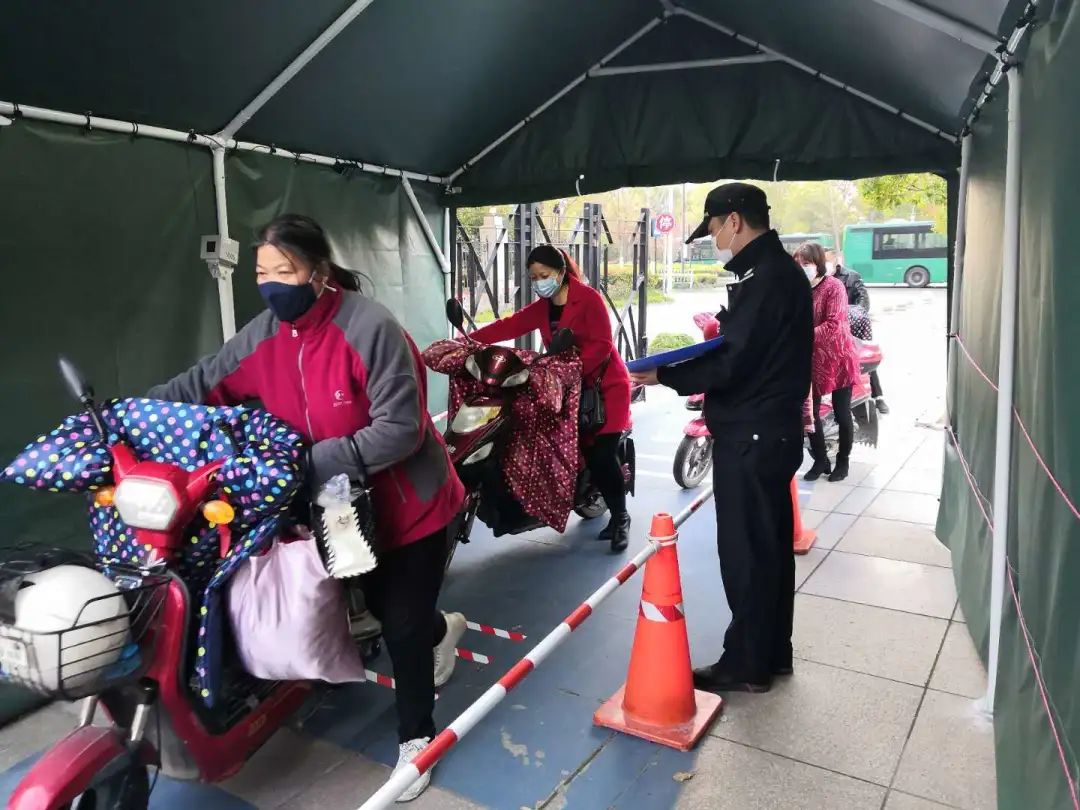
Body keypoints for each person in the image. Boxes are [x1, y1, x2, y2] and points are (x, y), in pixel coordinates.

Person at [148, 213, 465, 802]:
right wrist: (136, 415)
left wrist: (309, 460)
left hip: (410, 505)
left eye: (284, 271)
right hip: (337, 508)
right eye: (262, 273)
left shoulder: (370, 328)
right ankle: (442, 630)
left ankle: (417, 738)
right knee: (377, 607)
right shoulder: (263, 336)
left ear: (318, 274)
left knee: (399, 623)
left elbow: (402, 429)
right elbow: (202, 384)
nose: (271, 285)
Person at [631, 183, 812, 693]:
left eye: (713, 228)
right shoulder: (776, 273)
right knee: (769, 548)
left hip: (753, 436)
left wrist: (665, 375)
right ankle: (772, 653)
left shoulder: (767, 279)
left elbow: (734, 361)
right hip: (769, 432)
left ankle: (747, 665)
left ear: (734, 221)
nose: (714, 239)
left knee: (746, 551)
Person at [468, 245, 634, 552]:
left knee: (600, 455)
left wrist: (568, 372)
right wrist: (468, 341)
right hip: (565, 389)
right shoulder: (543, 307)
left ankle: (621, 517)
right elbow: (510, 325)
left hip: (604, 388)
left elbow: (602, 345)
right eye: (533, 277)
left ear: (560, 272)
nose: (539, 282)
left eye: (544, 275)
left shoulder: (589, 299)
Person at [795, 242, 861, 483]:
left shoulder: (834, 287)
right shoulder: (797, 289)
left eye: (806, 263)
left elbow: (834, 324)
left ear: (818, 263)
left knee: (841, 412)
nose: (802, 267)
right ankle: (820, 459)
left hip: (839, 356)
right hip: (811, 359)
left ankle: (843, 461)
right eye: (798, 263)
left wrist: (800, 335)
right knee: (809, 413)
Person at [827, 249, 889, 414]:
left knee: (864, 359)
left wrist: (851, 315)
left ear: (836, 260)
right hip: (830, 329)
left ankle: (878, 396)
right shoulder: (819, 278)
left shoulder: (851, 276)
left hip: (854, 327)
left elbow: (863, 301)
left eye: (827, 260)